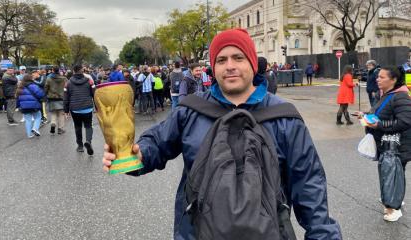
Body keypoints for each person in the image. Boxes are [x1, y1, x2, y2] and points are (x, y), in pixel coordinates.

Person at [102, 28, 341, 240]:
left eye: (238, 57)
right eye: (222, 60)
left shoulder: (284, 117)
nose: (230, 66)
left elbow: (308, 183)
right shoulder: (190, 110)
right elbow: (156, 143)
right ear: (213, 67)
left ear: (252, 63)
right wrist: (133, 156)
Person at [360, 66, 411, 222]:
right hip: (389, 145)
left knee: (391, 173)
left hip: (396, 146)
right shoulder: (388, 94)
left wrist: (379, 125)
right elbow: (380, 112)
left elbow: (405, 121)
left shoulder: (400, 96)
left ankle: (393, 208)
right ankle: (396, 198)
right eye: (378, 77)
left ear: (393, 80)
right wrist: (365, 116)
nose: (377, 79)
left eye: (382, 77)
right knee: (395, 173)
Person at [64, 65, 95, 155]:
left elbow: (66, 97)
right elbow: (94, 94)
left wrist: (66, 111)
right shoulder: (89, 80)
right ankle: (88, 141)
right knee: (88, 126)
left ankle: (80, 146)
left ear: (73, 71)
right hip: (87, 108)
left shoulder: (68, 82)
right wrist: (97, 107)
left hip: (75, 108)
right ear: (82, 71)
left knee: (78, 127)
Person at [45, 66, 68, 135]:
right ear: (59, 70)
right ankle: (60, 129)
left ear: (52, 70)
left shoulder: (48, 79)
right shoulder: (64, 79)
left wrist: (46, 94)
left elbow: (46, 88)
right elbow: (67, 87)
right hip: (61, 98)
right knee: (61, 114)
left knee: (53, 113)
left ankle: (53, 123)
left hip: (52, 98)